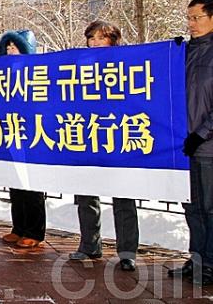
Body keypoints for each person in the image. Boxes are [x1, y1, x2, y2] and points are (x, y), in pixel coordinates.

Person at [69, 21, 138, 272]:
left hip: (118, 139)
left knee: (123, 200)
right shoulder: (78, 67)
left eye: (101, 38)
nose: (95, 42)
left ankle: (128, 252)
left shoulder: (128, 65)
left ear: (113, 40)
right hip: (85, 138)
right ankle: (89, 245)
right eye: (91, 38)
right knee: (86, 197)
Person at [169, 0, 213, 285]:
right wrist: (167, 56)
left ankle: (210, 262)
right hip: (184, 146)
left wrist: (202, 133)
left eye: (196, 17)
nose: (191, 23)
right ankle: (197, 258)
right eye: (189, 18)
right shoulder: (187, 52)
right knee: (192, 206)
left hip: (208, 146)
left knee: (210, 207)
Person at [0, 29, 46, 248]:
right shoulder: (2, 76)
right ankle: (18, 227)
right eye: (7, 48)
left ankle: (35, 231)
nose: (10, 51)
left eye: (14, 47)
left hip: (33, 135)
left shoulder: (37, 73)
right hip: (11, 134)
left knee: (32, 186)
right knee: (15, 183)